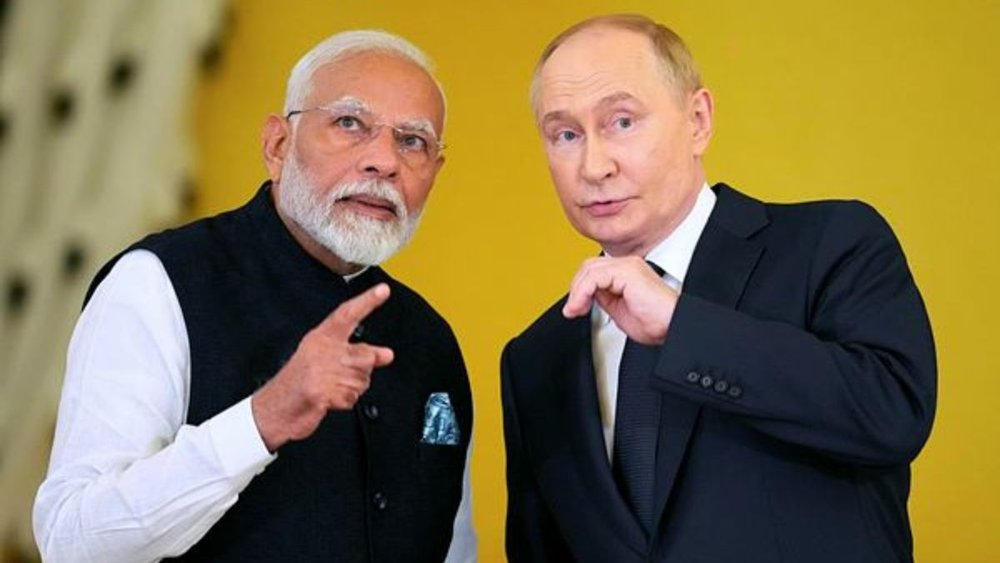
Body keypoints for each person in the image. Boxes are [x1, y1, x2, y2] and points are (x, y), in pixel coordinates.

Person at [501, 14, 935, 563]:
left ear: (698, 121)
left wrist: (682, 326)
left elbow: (893, 414)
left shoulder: (830, 243)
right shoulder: (534, 359)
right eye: (565, 135)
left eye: (622, 122)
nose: (594, 165)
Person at [33, 30, 476, 563]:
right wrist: (262, 420)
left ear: (434, 173)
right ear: (278, 146)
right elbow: (72, 541)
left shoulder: (431, 340)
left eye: (413, 141)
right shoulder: (159, 282)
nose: (384, 160)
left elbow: (454, 547)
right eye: (349, 123)